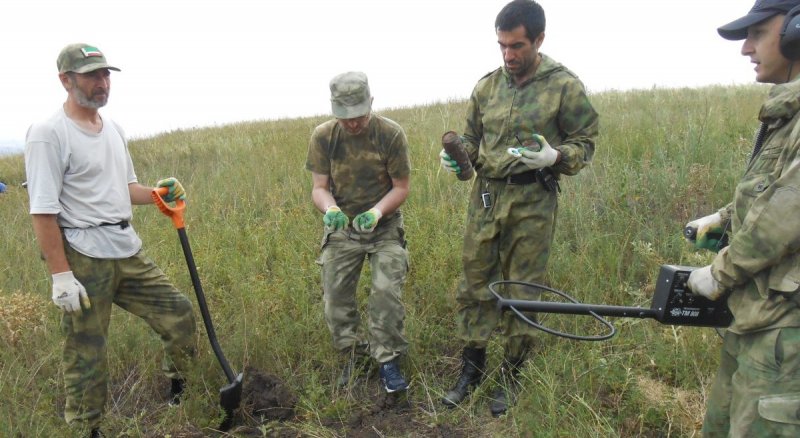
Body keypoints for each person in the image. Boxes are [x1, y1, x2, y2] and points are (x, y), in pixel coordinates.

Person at [24, 43, 197, 437]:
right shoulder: (48, 134)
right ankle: (87, 428)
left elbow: (125, 186)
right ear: (66, 80)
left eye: (105, 75)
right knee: (87, 347)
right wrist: (61, 277)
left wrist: (158, 194)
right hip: (83, 255)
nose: (102, 83)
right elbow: (43, 211)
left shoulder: (113, 128)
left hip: (126, 247)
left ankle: (181, 390)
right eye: (91, 75)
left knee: (179, 313)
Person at [438, 0, 598, 417]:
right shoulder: (487, 87)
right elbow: (471, 136)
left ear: (539, 40)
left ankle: (512, 374)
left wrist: (557, 157)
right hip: (487, 196)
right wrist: (460, 157)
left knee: (524, 289)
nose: (509, 55)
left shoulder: (565, 85)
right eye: (502, 46)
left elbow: (586, 142)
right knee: (475, 282)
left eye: (517, 46)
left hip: (533, 198)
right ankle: (470, 372)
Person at [685, 1, 800, 435]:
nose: (746, 48)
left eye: (756, 34)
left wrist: (721, 272)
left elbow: (786, 216)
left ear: (795, 30)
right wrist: (725, 216)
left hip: (786, 334)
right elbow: (771, 189)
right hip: (754, 320)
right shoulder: (786, 112)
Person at [305, 71, 412, 394]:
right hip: (343, 229)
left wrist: (377, 212)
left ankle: (387, 360)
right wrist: (331, 210)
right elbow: (319, 188)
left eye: (359, 116)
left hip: (385, 226)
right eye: (345, 117)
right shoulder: (323, 137)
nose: (352, 124)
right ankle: (354, 355)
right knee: (335, 298)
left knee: (385, 294)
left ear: (371, 104)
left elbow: (402, 187)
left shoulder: (390, 134)